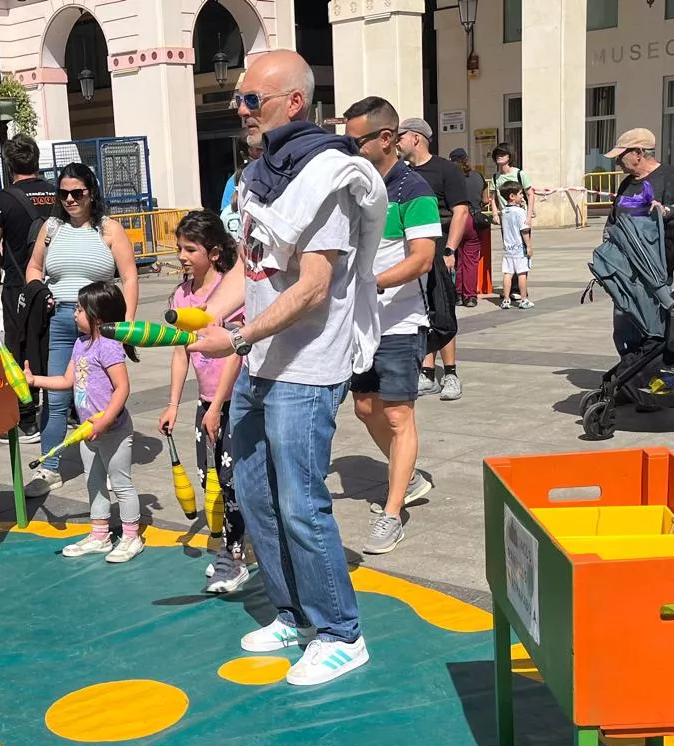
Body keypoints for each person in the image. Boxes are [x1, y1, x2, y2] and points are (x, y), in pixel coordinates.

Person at [192, 49, 386, 687]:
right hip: (259, 360)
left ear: (293, 103)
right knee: (254, 492)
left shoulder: (328, 175)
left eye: (251, 99)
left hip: (306, 366)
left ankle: (340, 633)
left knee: (301, 503)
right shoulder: (259, 174)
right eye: (239, 99)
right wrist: (194, 318)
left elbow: (313, 288)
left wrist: (238, 337)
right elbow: (251, 274)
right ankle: (293, 611)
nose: (239, 108)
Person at [344, 97, 438, 555]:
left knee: (399, 414)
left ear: (385, 139)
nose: (350, 148)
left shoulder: (412, 188)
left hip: (401, 320)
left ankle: (392, 511)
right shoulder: (355, 188)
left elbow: (423, 258)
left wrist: (371, 283)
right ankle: (412, 475)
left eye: (356, 140)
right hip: (360, 321)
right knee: (365, 408)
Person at [21, 162, 140, 499]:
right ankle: (50, 466)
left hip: (101, 326)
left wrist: (125, 323)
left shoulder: (109, 229)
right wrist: (38, 291)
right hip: (60, 319)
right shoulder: (51, 227)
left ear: (92, 193)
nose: (70, 199)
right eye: (63, 193)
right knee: (57, 396)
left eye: (77, 193)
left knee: (102, 394)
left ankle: (104, 464)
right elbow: (34, 266)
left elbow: (129, 276)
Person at [160, 210, 250, 592]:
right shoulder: (181, 295)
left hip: (233, 403)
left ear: (213, 253)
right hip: (206, 403)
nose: (181, 255)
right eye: (179, 247)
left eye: (190, 248)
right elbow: (181, 352)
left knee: (231, 483)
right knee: (209, 479)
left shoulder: (229, 294)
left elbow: (236, 351)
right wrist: (173, 404)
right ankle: (232, 546)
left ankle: (235, 556)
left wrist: (216, 409)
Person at [25, 281, 143, 563]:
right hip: (87, 431)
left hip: (113, 430)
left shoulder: (109, 346)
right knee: (94, 482)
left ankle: (131, 536)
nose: (74, 314)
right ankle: (100, 535)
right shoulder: (80, 344)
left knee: (121, 483)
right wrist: (34, 380)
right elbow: (67, 381)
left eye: (79, 309)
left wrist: (104, 423)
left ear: (98, 318)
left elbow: (122, 389)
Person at [0, 135, 59, 441]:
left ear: (9, 164)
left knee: (20, 348)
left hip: (19, 285)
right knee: (55, 343)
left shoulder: (3, 200)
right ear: (36, 160)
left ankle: (27, 417)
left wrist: (8, 266)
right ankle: (63, 409)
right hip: (53, 281)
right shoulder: (57, 194)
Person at [398, 116, 468, 401]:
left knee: (443, 311)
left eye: (400, 136)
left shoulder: (446, 170)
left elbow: (460, 212)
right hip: (411, 252)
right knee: (421, 314)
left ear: (416, 137)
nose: (396, 142)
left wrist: (450, 251)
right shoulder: (401, 173)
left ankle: (450, 373)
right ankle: (427, 374)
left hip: (440, 250)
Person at [604, 128, 674, 274]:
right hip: (624, 267)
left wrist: (665, 211)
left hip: (655, 267)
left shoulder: (669, 175)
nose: (617, 161)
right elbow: (612, 222)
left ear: (638, 153)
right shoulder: (626, 183)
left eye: (620, 155)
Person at [449, 148, 494, 307]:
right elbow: (485, 199)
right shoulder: (478, 176)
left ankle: (458, 295)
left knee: (457, 259)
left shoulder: (452, 177)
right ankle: (471, 297)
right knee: (471, 260)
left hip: (458, 218)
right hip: (475, 220)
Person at [499, 183, 533, 308]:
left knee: (507, 273)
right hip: (519, 248)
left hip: (508, 248)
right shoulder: (520, 212)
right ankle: (524, 299)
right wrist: (528, 245)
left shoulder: (504, 211)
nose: (522, 195)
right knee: (522, 273)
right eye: (520, 194)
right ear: (512, 196)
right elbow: (524, 230)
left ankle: (506, 299)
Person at [491, 143, 536, 227]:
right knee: (507, 240)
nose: (499, 156)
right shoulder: (495, 177)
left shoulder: (519, 174)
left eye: (502, 154)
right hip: (505, 217)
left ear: (509, 156)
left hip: (521, 217)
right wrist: (495, 214)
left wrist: (529, 217)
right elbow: (493, 198)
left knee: (524, 240)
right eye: (497, 154)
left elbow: (530, 194)